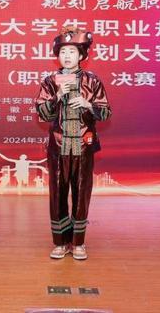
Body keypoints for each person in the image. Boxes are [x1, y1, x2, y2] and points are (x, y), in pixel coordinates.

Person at [34, 26, 112, 260]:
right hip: (58, 146)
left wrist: (88, 104)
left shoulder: (92, 81)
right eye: (63, 52)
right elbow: (42, 113)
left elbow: (106, 113)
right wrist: (58, 95)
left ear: (82, 56)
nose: (67, 56)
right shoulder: (50, 82)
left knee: (81, 193)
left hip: (83, 145)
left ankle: (78, 243)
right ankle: (60, 242)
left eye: (72, 52)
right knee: (57, 193)